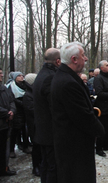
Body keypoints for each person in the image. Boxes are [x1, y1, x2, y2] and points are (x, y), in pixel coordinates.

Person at [50, 42, 104, 183]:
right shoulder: (67, 82)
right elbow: (82, 116)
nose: (85, 59)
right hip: (74, 146)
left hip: (73, 143)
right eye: (83, 55)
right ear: (74, 59)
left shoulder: (66, 76)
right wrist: (100, 130)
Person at [34, 48, 60, 183]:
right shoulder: (50, 77)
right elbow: (54, 107)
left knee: (46, 164)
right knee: (52, 166)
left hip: (43, 130)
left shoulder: (41, 74)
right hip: (50, 132)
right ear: (58, 61)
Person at [7, 72, 31, 157]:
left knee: (25, 129)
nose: (21, 77)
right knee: (15, 130)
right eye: (19, 76)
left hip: (25, 108)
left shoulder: (25, 85)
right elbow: (11, 99)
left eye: (22, 75)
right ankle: (11, 149)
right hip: (17, 110)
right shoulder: (11, 86)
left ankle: (25, 145)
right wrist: (23, 103)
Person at [23, 73, 42, 177]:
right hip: (33, 125)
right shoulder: (28, 95)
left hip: (38, 124)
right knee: (36, 147)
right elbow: (32, 110)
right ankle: (36, 167)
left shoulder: (34, 92)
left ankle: (40, 165)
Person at [0, 68, 16, 177]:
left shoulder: (4, 88)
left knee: (3, 149)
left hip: (5, 125)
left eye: (1, 73)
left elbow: (12, 100)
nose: (1, 75)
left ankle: (3, 168)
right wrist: (6, 113)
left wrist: (12, 111)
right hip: (2, 121)